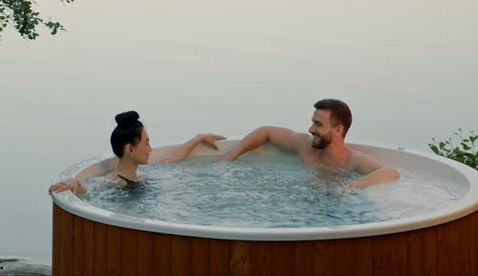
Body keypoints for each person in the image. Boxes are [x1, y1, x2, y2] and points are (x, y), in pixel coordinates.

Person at [221, 98, 400, 190]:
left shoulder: (353, 161)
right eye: (313, 122)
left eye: (318, 124)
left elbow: (392, 172)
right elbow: (266, 131)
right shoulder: (305, 147)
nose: (311, 129)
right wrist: (229, 157)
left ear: (338, 130)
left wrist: (351, 187)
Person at [49, 110, 225, 195]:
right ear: (130, 149)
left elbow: (172, 158)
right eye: (146, 143)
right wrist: (75, 183)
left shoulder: (141, 172)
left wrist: (199, 138)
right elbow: (93, 189)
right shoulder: (116, 180)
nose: (150, 149)